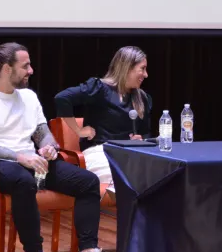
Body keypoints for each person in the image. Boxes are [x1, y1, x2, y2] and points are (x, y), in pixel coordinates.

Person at [0, 42, 111, 252]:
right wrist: (19, 156)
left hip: (30, 162)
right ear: (6, 69)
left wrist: (49, 147)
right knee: (23, 181)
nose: (31, 71)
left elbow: (43, 132)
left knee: (88, 181)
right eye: (25, 66)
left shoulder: (29, 96)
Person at [54, 46, 151, 193]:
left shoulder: (141, 98)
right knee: (127, 181)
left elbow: (146, 133)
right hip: (100, 152)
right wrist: (78, 131)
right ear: (127, 67)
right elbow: (62, 98)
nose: (146, 74)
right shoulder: (100, 89)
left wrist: (141, 139)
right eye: (142, 69)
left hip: (130, 154)